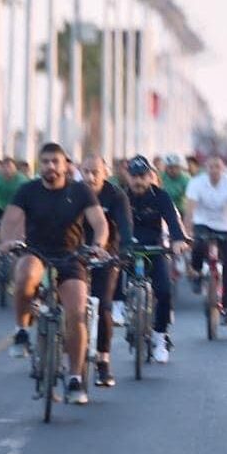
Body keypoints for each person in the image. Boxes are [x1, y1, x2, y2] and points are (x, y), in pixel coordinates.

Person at [0, 143, 110, 404]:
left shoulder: (80, 191)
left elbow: (99, 223)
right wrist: (6, 241)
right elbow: (10, 221)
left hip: (71, 256)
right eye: (45, 161)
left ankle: (74, 378)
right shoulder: (28, 190)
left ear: (65, 165)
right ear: (40, 165)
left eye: (55, 161)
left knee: (76, 311)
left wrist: (98, 245)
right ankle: (21, 331)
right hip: (36, 251)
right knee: (25, 273)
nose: (50, 166)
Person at [126, 155, 190, 363]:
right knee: (113, 286)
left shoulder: (161, 196)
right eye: (134, 176)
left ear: (150, 176)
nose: (138, 180)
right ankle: (122, 310)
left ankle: (160, 337)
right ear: (128, 177)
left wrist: (178, 240)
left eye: (142, 176)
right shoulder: (121, 196)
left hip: (155, 249)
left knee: (164, 292)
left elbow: (172, 220)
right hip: (127, 249)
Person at [80, 156, 133, 387]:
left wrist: (125, 250)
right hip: (74, 252)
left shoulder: (116, 195)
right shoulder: (72, 192)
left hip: (107, 254)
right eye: (86, 172)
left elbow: (125, 226)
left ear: (105, 173)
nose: (90, 177)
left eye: (95, 172)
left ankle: (103, 361)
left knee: (103, 305)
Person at [185, 157, 227, 325]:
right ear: (206, 169)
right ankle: (197, 272)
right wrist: (187, 232)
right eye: (211, 167)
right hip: (203, 223)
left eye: (217, 167)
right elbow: (190, 209)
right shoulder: (196, 183)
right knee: (198, 245)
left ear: (223, 169)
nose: (214, 170)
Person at [0, 158, 29, 284]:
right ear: (1, 169)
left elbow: (27, 200)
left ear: (15, 169)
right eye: (5, 168)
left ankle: (15, 277)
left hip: (16, 209)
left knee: (17, 242)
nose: (7, 171)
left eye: (10, 168)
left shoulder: (21, 180)